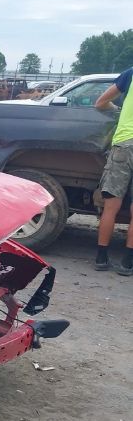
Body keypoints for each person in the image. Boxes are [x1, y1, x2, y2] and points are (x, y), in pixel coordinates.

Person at [94, 68, 133, 275]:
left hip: (124, 144)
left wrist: (119, 110)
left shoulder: (131, 74)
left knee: (110, 207)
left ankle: (101, 257)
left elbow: (100, 103)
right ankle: (127, 263)